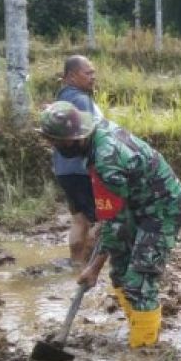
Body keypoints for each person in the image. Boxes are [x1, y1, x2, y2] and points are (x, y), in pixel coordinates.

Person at [37, 101, 181, 349]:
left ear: (74, 139)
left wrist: (93, 268)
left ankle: (144, 353)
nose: (54, 147)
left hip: (163, 210)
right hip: (135, 205)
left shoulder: (106, 159)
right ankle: (138, 327)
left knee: (139, 281)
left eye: (57, 142)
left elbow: (115, 223)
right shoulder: (94, 134)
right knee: (119, 271)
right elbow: (113, 218)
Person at [53, 55, 103, 263]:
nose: (93, 77)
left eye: (93, 72)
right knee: (99, 222)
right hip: (83, 170)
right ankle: (88, 270)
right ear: (72, 76)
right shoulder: (81, 100)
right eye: (88, 73)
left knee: (79, 220)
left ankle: (74, 264)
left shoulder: (62, 98)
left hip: (64, 170)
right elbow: (90, 134)